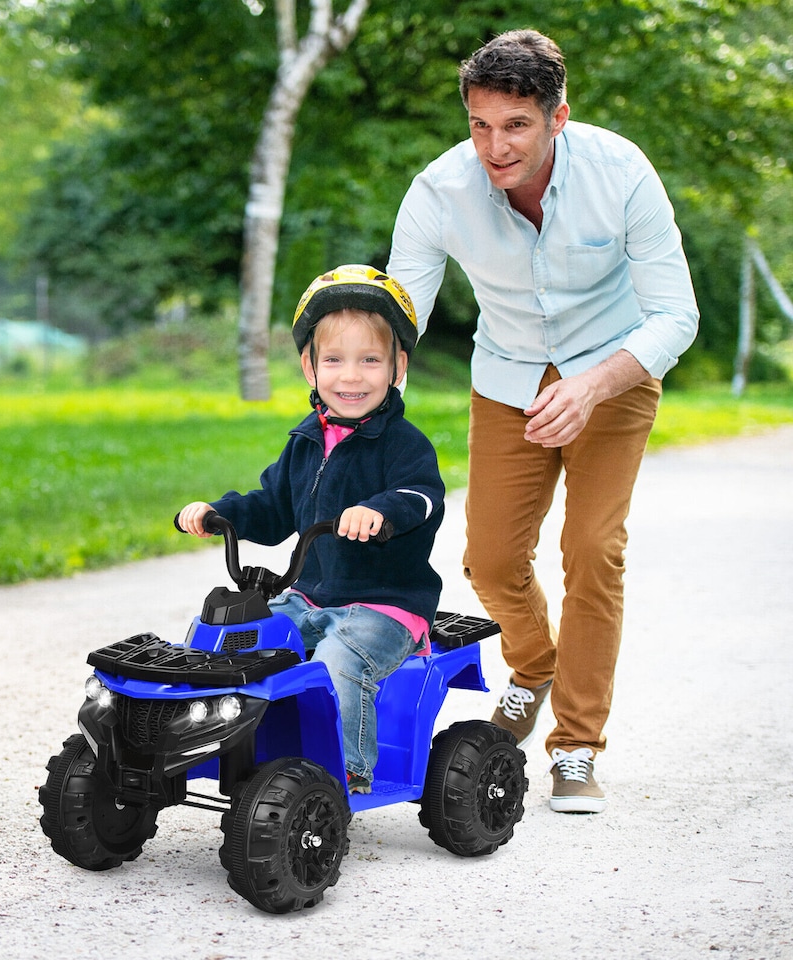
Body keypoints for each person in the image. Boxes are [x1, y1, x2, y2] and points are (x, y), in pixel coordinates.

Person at [387, 30, 699, 813]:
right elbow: (399, 311)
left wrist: (593, 387)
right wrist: (355, 372)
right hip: (508, 380)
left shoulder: (621, 172)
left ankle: (577, 746)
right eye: (479, 125)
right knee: (490, 561)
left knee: (593, 549)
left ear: (558, 117)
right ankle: (532, 666)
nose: (495, 146)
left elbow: (676, 315)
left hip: (615, 373)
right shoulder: (439, 190)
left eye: (515, 125)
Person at [176, 264, 445, 794]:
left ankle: (342, 773)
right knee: (236, 642)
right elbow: (274, 508)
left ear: (398, 366)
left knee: (339, 664)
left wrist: (382, 512)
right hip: (310, 597)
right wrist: (220, 513)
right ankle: (224, 746)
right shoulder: (304, 442)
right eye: (335, 360)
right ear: (309, 367)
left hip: (385, 605)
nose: (351, 376)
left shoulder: (403, 444)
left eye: (370, 360)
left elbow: (422, 498)